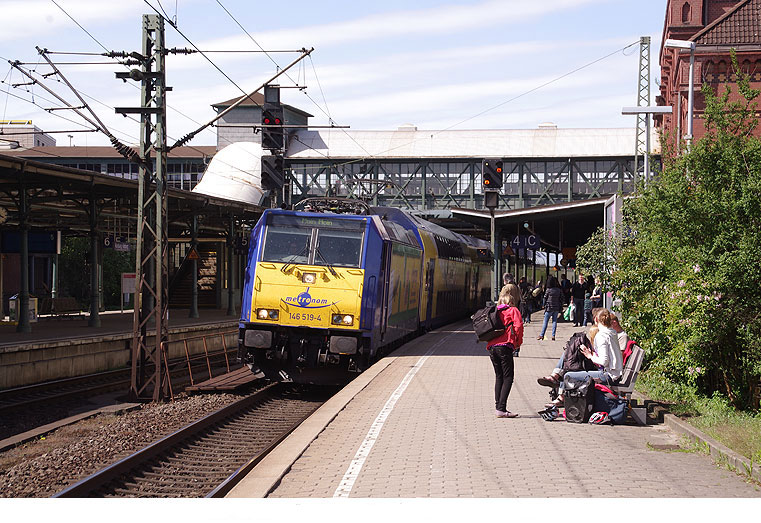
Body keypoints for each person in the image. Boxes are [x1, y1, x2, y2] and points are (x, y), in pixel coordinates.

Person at [546, 309, 623, 408]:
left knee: (568, 375)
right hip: (614, 374)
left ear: (595, 320)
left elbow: (604, 361)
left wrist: (590, 356)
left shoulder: (601, 336)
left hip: (607, 375)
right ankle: (558, 386)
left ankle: (561, 396)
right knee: (571, 357)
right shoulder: (612, 332)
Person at [486, 285, 524, 418]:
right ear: (511, 302)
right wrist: (518, 343)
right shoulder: (513, 310)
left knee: (499, 377)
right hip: (505, 346)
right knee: (508, 377)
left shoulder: (495, 311)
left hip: (492, 347)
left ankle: (498, 407)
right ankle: (501, 408)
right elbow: (518, 326)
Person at [537, 276, 563, 341]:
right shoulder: (558, 290)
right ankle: (553, 335)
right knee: (554, 321)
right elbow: (561, 298)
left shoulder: (548, 290)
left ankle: (542, 335)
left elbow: (545, 298)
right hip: (556, 307)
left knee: (545, 321)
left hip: (549, 307)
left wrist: (543, 305)